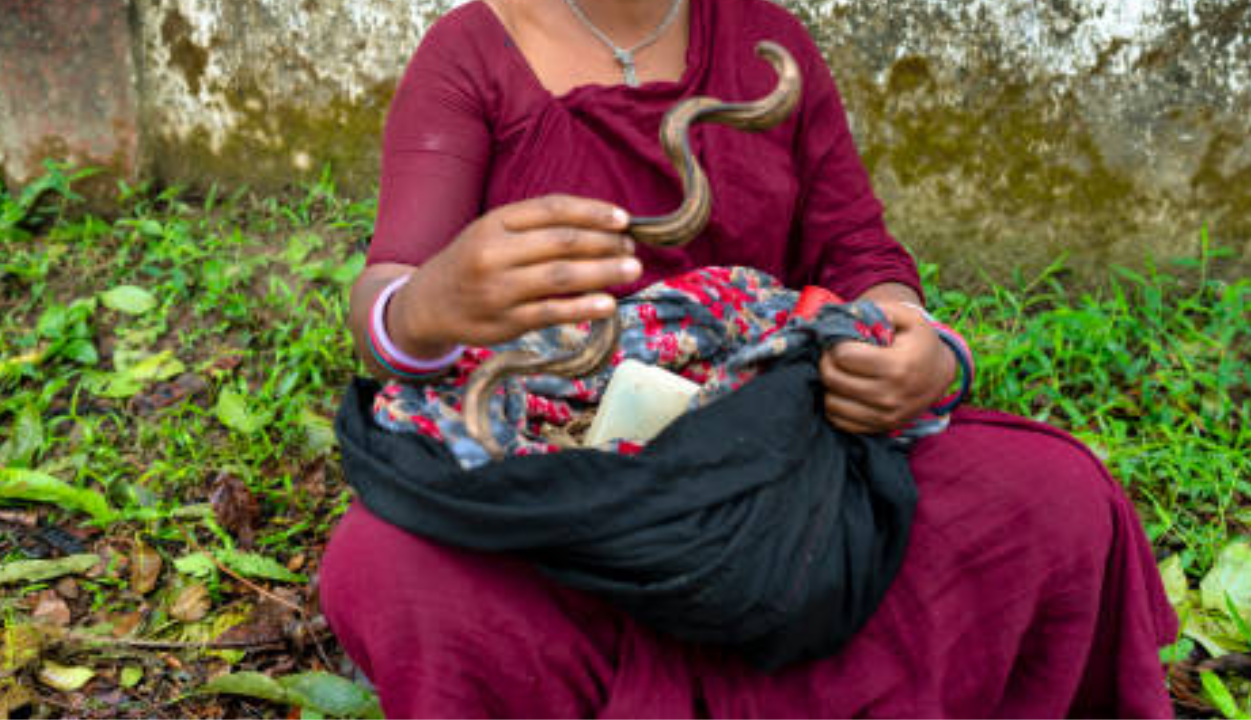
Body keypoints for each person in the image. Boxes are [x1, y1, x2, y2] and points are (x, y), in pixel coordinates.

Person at [319, 0, 1179, 715]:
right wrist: (429, 304)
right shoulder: (472, 53)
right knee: (384, 566)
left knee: (1058, 497)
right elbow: (388, 294)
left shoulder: (765, 41)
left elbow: (861, 257)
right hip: (566, 481)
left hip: (769, 465)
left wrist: (929, 356)